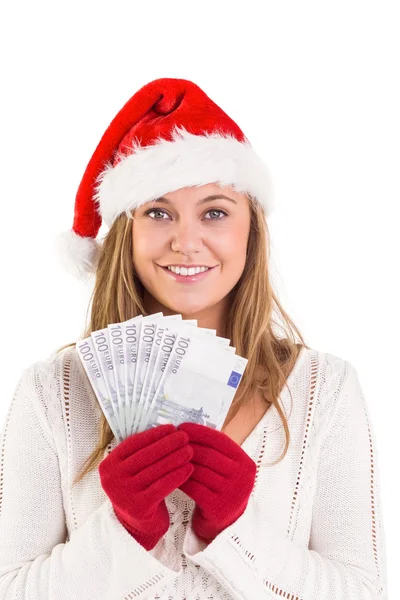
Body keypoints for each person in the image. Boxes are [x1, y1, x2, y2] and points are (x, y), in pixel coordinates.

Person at [0, 78, 388, 600]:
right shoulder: (52, 392)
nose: (186, 242)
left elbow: (362, 592)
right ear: (126, 234)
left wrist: (234, 529)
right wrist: (127, 532)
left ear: (250, 229)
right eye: (157, 212)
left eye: (215, 212)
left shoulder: (327, 389)